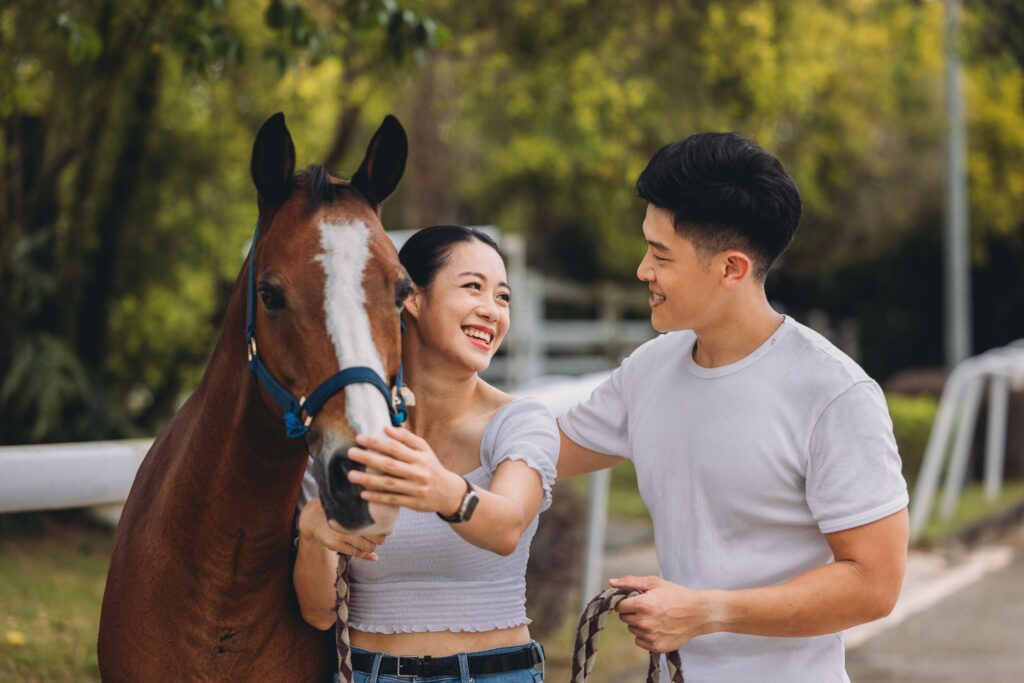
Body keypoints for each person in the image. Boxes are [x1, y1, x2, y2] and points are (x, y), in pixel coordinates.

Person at [557, 133, 909, 682]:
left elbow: (875, 584)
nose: (641, 270)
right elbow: (541, 449)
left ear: (732, 269)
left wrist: (706, 612)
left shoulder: (835, 393)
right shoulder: (650, 369)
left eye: (660, 255)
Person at [293, 225, 556, 683]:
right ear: (412, 298)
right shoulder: (346, 434)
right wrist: (314, 535)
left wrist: (442, 490)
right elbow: (318, 613)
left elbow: (509, 525)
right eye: (473, 287)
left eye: (503, 297)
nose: (491, 311)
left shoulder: (519, 422)